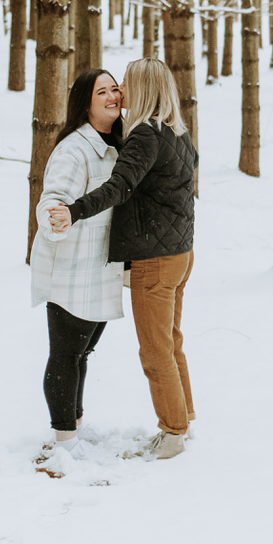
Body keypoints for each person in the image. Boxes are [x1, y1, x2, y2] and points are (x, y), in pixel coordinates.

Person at [49, 57, 197, 461]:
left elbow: (118, 186)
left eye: (126, 84)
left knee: (154, 349)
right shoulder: (177, 131)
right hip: (182, 252)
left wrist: (74, 210)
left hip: (156, 257)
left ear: (145, 89)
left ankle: (172, 433)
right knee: (171, 341)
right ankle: (184, 417)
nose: (120, 92)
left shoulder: (145, 134)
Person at [32, 69, 125, 460]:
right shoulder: (74, 148)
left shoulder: (117, 143)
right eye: (101, 91)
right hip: (72, 268)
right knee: (67, 353)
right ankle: (64, 441)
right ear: (84, 103)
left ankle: (76, 427)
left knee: (82, 353)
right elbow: (52, 197)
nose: (112, 96)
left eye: (115, 88)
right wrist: (55, 217)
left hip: (100, 268)